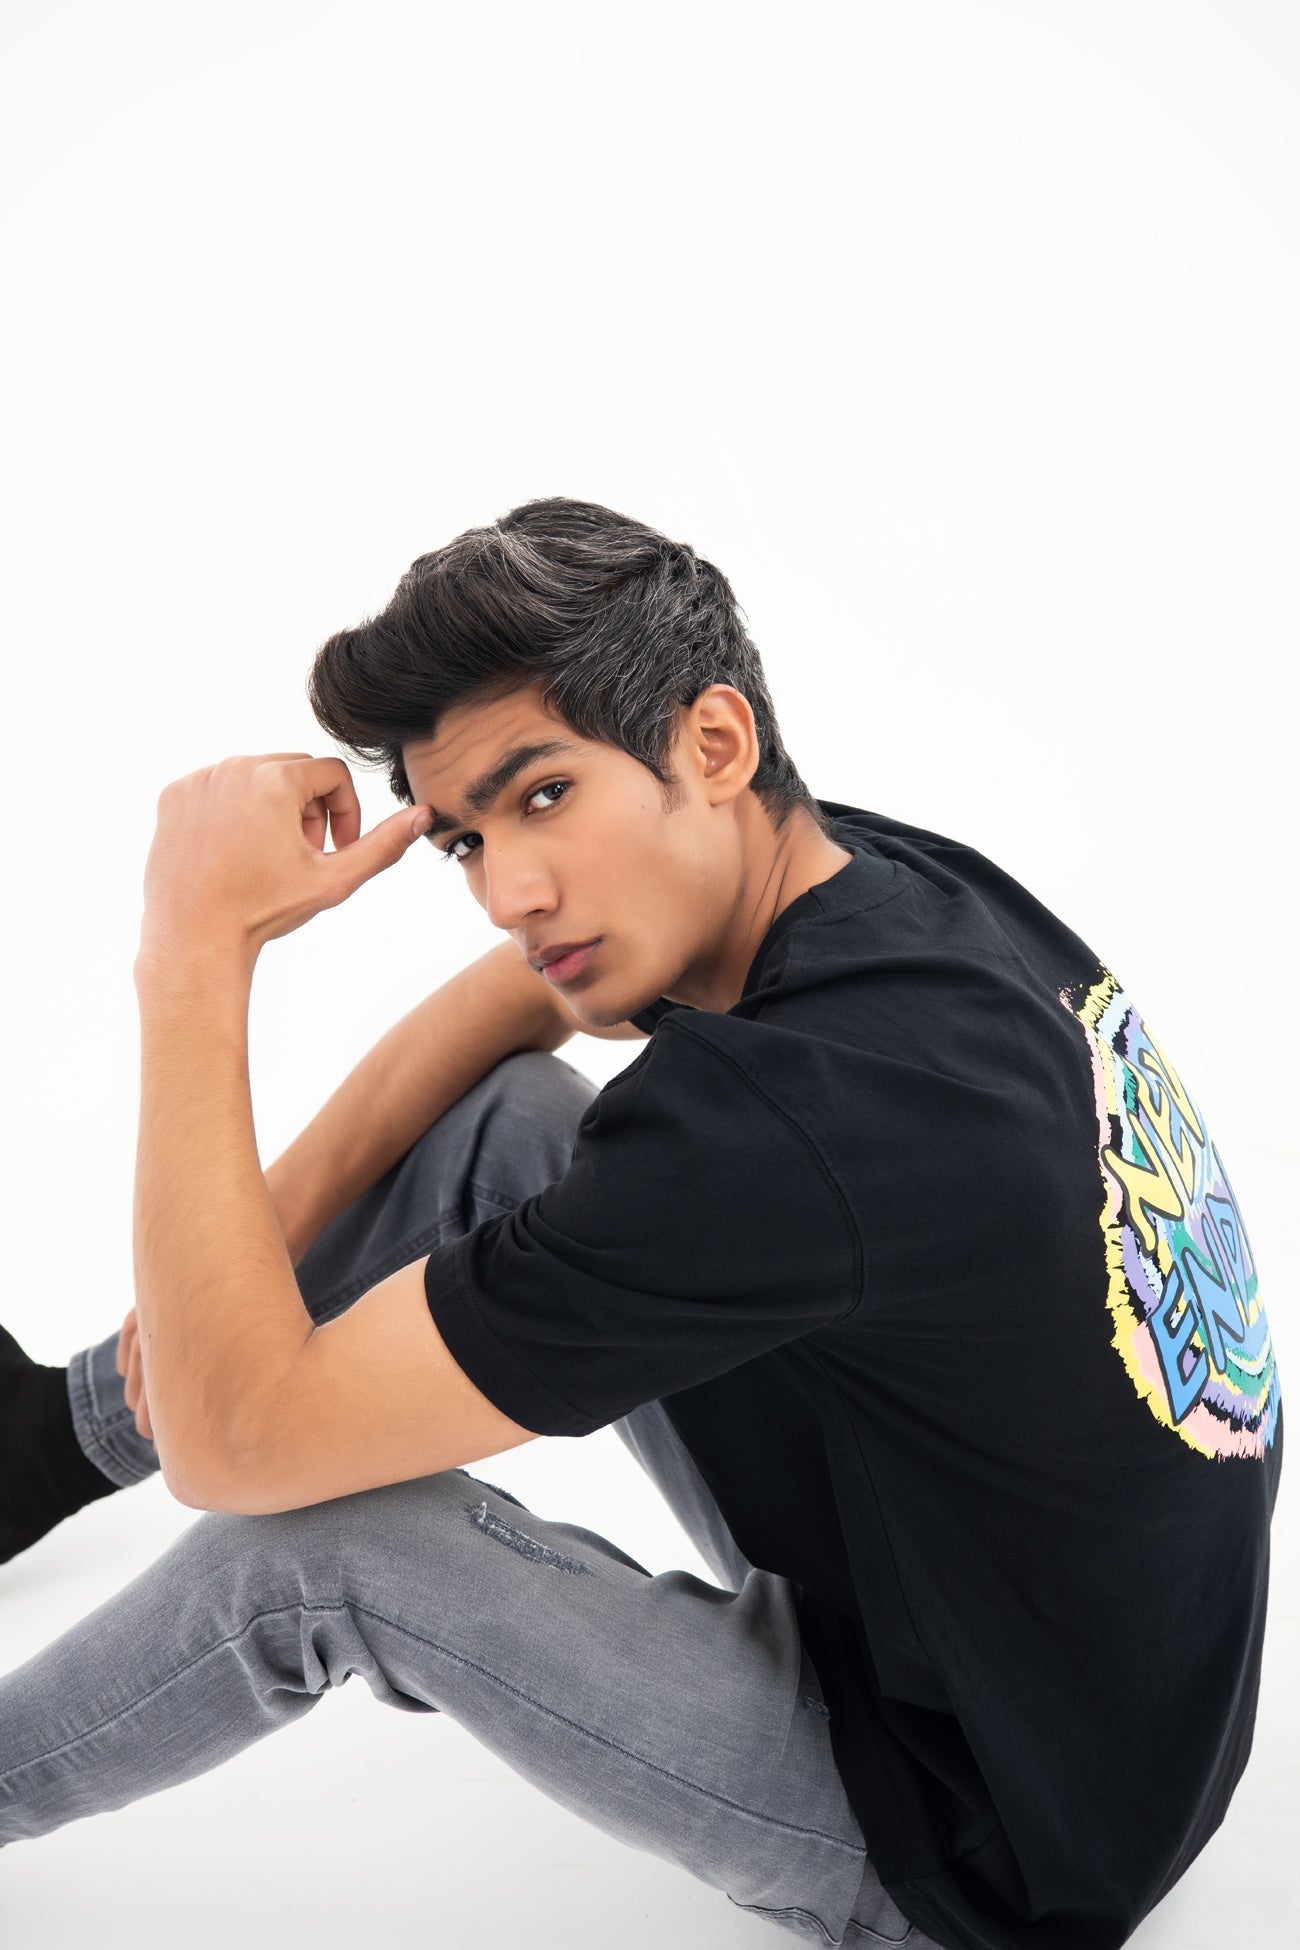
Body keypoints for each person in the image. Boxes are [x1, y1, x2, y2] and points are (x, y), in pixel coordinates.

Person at [0, 497, 1282, 1950]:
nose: (509, 892)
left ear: (713, 743)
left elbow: (238, 1452)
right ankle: (40, 1444)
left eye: (544, 795)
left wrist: (191, 953)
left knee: (323, 1544)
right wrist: (246, 1256)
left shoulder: (784, 1130)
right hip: (1112, 1708)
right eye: (465, 837)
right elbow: (521, 1002)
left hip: (978, 1831)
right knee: (507, 1123)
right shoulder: (869, 887)